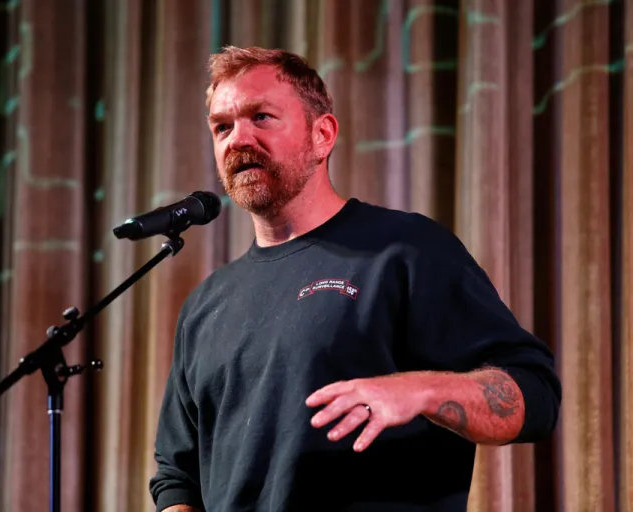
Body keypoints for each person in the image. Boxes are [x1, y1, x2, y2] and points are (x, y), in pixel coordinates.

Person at [148, 46, 561, 512]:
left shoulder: (405, 250)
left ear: (322, 135)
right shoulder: (206, 305)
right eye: (222, 127)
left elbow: (534, 396)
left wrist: (417, 390)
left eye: (261, 117)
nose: (238, 139)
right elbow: (177, 476)